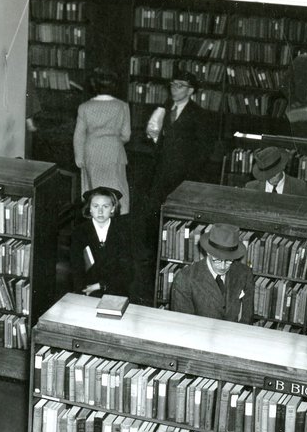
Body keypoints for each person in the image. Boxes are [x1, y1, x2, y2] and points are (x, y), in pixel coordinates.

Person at [147, 70, 216, 208]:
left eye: (180, 86)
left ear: (190, 91)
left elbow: (205, 148)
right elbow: (157, 137)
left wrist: (190, 172)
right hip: (162, 170)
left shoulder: (199, 114)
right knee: (155, 209)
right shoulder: (165, 109)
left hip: (184, 174)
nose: (174, 89)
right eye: (173, 85)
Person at [169, 222, 254, 324]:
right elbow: (184, 325)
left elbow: (247, 320)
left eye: (228, 261)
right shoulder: (185, 279)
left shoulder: (245, 274)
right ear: (208, 252)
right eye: (217, 260)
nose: (222, 267)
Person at [73, 69, 131, 214]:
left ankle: (97, 220)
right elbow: (126, 135)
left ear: (94, 86)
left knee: (94, 190)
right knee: (117, 188)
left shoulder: (84, 107)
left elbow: (79, 135)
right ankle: (117, 218)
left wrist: (79, 158)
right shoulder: (122, 106)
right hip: (114, 152)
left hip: (92, 152)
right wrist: (112, 142)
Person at [69, 187, 140, 299]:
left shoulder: (123, 232)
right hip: (87, 291)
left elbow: (127, 270)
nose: (100, 211)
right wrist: (84, 290)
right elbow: (76, 268)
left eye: (105, 206)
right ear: (90, 209)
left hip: (116, 290)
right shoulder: (80, 232)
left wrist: (100, 285)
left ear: (113, 209)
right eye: (95, 206)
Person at [243, 146, 307, 196]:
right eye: (267, 174)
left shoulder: (300, 188)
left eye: (274, 173)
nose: (271, 178)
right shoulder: (250, 188)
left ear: (282, 167)